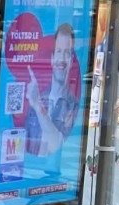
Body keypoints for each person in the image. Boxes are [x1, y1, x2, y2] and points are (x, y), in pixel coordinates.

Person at [25, 23, 79, 158]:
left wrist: (38, 107)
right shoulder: (38, 97)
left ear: (71, 60)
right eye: (59, 51)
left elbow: (56, 146)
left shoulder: (73, 105)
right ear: (52, 58)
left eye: (67, 53)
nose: (62, 59)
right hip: (31, 169)